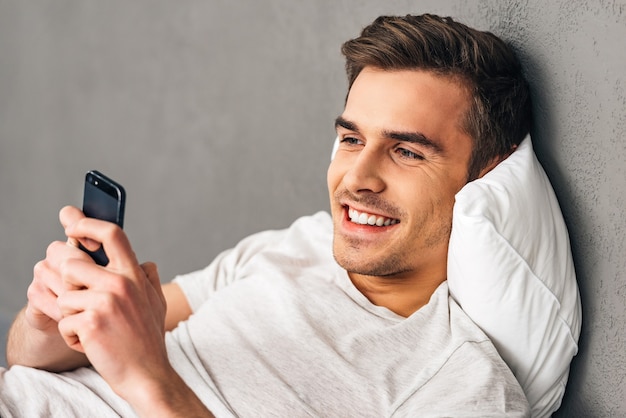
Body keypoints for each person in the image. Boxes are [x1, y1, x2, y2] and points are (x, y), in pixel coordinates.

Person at [1, 13, 532, 417]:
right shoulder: (294, 246)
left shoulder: (462, 381)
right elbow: (32, 362)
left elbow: (137, 362)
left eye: (407, 151)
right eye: (351, 139)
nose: (356, 178)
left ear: (488, 174)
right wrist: (48, 321)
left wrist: (151, 382)